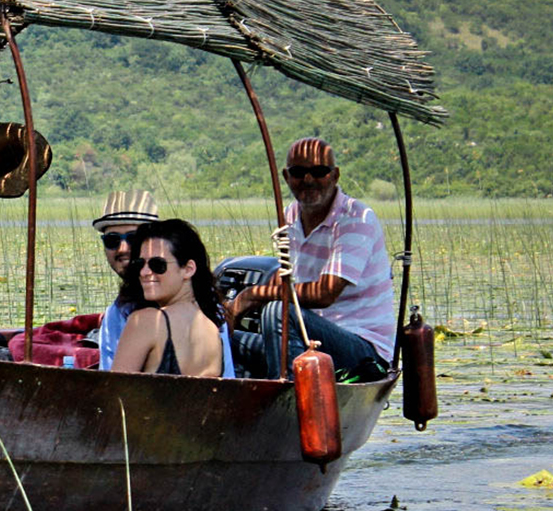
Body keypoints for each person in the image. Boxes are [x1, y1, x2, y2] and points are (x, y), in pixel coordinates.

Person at [222, 137, 393, 377]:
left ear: (334, 176)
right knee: (220, 340)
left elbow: (325, 293)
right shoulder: (290, 214)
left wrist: (252, 295)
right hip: (309, 337)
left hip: (361, 347)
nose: (309, 180)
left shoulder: (356, 217)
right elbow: (288, 280)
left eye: (319, 172)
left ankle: (288, 398)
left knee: (278, 311)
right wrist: (224, 312)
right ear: (286, 177)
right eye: (299, 173)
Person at [111, 219, 226, 377]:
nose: (144, 272)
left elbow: (113, 393)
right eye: (139, 264)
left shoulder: (147, 322)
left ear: (188, 269)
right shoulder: (212, 330)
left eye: (157, 264)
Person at [89, 190, 158, 370]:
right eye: (112, 240)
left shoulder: (195, 305)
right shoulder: (116, 312)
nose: (122, 248)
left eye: (133, 238)